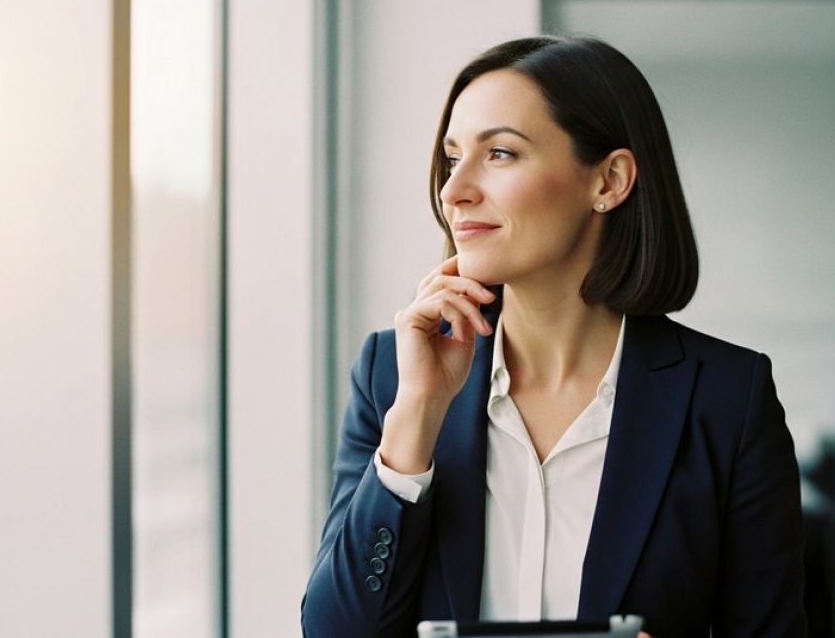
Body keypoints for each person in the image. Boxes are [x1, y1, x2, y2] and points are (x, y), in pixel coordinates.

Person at [302, 36, 806, 638]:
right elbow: (334, 632)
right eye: (451, 157)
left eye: (501, 154)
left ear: (610, 181)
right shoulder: (393, 375)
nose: (453, 189)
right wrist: (416, 416)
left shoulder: (728, 401)